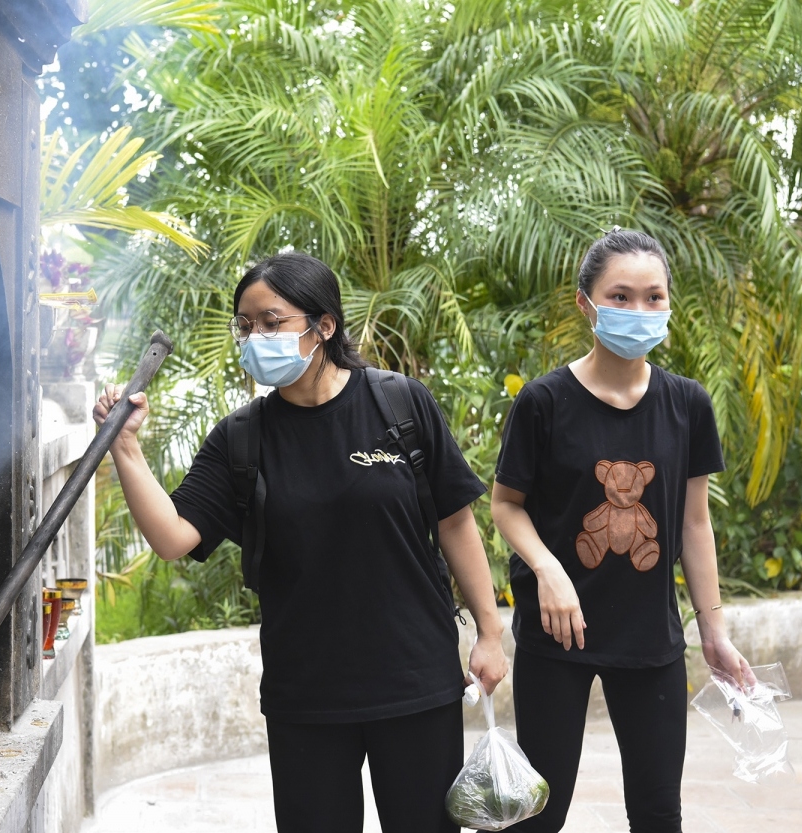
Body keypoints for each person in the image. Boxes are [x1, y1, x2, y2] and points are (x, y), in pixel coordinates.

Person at [93, 251, 507, 833]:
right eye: (246, 325)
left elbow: (456, 522)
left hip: (416, 683)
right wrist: (127, 448)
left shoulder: (399, 404)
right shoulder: (243, 437)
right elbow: (173, 538)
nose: (255, 336)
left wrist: (490, 634)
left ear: (325, 326)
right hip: (306, 694)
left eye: (272, 321)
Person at [489, 230, 755, 833]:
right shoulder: (544, 401)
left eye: (654, 297)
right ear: (586, 303)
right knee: (539, 815)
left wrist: (713, 631)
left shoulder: (687, 404)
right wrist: (550, 571)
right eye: (622, 295)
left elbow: (693, 522)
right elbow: (506, 506)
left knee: (659, 812)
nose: (639, 311)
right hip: (558, 632)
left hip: (649, 636)